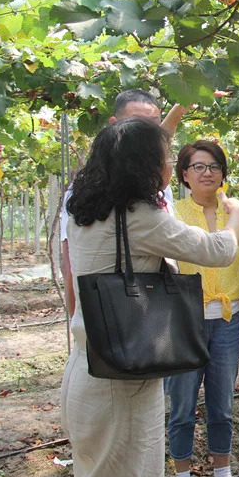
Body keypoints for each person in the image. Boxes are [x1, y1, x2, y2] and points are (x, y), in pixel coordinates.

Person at [60, 117, 239, 477]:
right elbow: (218, 249)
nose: (168, 167)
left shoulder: (86, 212)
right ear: (143, 167)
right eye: (164, 159)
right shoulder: (138, 217)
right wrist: (237, 218)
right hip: (122, 381)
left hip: (87, 367)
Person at [167, 140, 239, 477]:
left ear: (223, 174)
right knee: (182, 404)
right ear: (185, 175)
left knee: (222, 402)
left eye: (214, 167)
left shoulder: (237, 213)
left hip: (228, 319)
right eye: (199, 167)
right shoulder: (173, 213)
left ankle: (223, 476)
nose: (207, 173)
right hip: (184, 322)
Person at [60, 90, 189, 316]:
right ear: (115, 125)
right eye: (137, 124)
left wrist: (179, 109)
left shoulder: (156, 186)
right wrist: (79, 327)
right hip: (114, 323)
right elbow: (71, 267)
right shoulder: (84, 193)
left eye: (153, 126)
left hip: (149, 318)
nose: (147, 134)